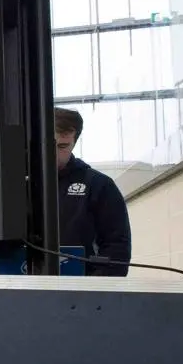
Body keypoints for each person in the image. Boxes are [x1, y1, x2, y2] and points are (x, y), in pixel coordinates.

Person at [54, 108, 131, 276]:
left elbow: (116, 246)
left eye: (62, 146)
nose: (54, 154)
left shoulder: (98, 185)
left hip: (83, 291)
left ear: (74, 142)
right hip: (22, 288)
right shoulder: (15, 186)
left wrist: (94, 289)